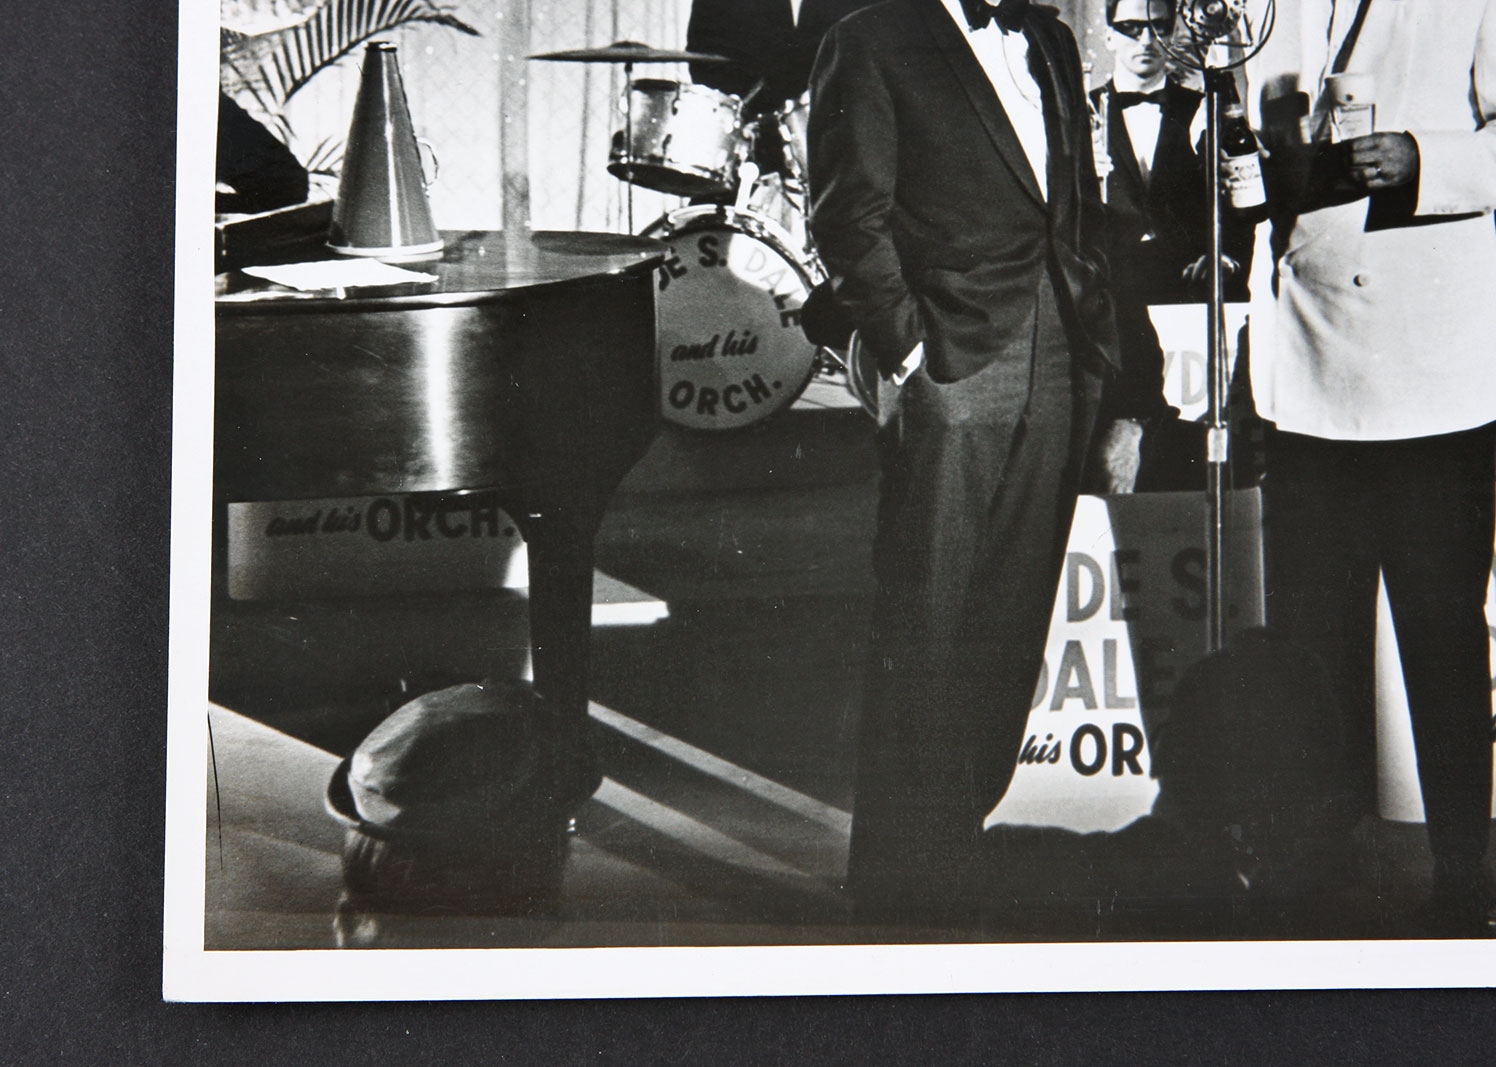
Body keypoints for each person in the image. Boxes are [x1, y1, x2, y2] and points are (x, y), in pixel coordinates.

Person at [807, 0, 1121, 922]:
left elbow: (1075, 202)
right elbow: (846, 216)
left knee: (1015, 609)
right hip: (951, 358)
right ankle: (902, 875)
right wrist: (910, 353)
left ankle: (961, 835)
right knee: (928, 615)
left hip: (1060, 352)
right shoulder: (867, 41)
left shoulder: (1051, 40)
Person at [1246, 0, 1496, 934]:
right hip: (1307, 370)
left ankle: (1465, 873)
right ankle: (1316, 868)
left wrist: (1425, 158)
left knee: (1441, 639)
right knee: (1313, 643)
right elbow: (1247, 131)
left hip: (1435, 376)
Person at [1088, 0, 1257, 493]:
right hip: (1112, 291)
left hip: (1188, 286)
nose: (1145, 41)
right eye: (1131, 28)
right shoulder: (1081, 110)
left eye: (1157, 28)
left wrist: (1226, 252)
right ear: (1108, 36)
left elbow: (1241, 190)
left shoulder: (1204, 103)